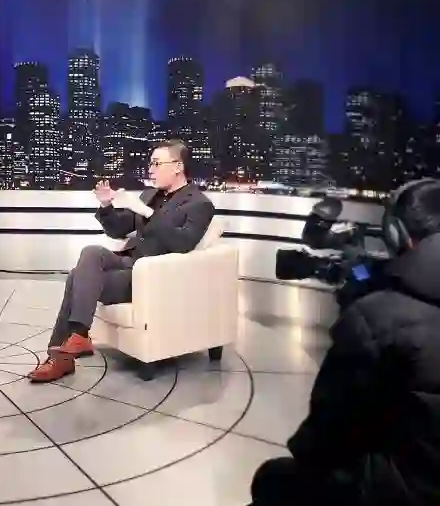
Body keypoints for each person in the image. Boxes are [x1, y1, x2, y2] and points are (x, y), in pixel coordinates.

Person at [249, 178, 440, 506]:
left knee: (272, 479)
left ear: (396, 234)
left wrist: (356, 308)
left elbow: (325, 436)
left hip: (397, 491)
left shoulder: (377, 319)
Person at [29, 139, 215, 383]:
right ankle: (79, 336)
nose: (150, 169)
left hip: (152, 276)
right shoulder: (150, 195)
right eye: (150, 163)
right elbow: (118, 230)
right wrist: (106, 205)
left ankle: (62, 357)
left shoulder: (199, 204)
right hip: (129, 262)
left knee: (76, 277)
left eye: (156, 164)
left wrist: (146, 212)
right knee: (91, 252)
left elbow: (183, 243)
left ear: (178, 166)